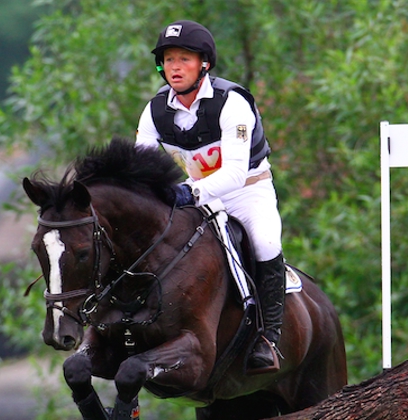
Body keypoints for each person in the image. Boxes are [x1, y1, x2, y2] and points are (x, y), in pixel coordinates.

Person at [136, 20, 285, 374]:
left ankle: (269, 337)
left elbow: (233, 174)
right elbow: (139, 165)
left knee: (265, 242)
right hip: (198, 195)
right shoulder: (155, 110)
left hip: (248, 190)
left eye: (184, 59)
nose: (174, 67)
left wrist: (187, 192)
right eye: (168, 59)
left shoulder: (231, 102)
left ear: (204, 63)